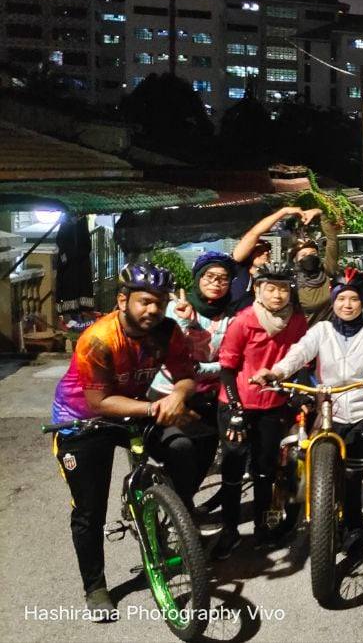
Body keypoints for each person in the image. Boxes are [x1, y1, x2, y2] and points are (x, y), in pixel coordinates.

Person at [49, 262, 200, 616]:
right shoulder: (98, 339)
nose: (153, 309)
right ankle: (95, 587)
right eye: (145, 301)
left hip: (133, 408)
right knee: (90, 510)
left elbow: (186, 376)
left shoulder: (167, 331)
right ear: (122, 300)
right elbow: (99, 402)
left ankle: (168, 514)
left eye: (160, 302)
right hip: (81, 421)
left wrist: (178, 396)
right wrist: (156, 407)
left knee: (183, 447)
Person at [251, 267, 363, 555]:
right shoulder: (321, 330)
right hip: (331, 407)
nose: (347, 305)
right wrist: (276, 372)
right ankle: (308, 512)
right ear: (333, 301)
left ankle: (354, 524)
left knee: (352, 474)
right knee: (307, 457)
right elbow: (299, 353)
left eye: (353, 299)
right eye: (341, 299)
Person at [211, 262, 309, 559]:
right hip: (237, 404)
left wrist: (298, 391)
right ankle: (229, 531)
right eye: (270, 288)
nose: (277, 295)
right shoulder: (243, 321)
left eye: (283, 289)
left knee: (265, 470)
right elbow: (227, 369)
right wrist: (235, 409)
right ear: (257, 290)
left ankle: (262, 527)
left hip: (273, 405)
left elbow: (302, 361)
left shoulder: (297, 321)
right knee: (233, 470)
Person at [149, 251, 237, 516]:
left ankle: (181, 507)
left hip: (207, 397)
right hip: (168, 393)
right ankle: (176, 507)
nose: (216, 283)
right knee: (181, 450)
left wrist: (209, 368)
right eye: (209, 276)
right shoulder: (176, 309)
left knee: (205, 454)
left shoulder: (231, 314)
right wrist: (185, 321)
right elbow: (180, 359)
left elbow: (232, 357)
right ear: (198, 278)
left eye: (223, 278)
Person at [228, 206, 322, 310]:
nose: (265, 252)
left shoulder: (277, 277)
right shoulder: (237, 269)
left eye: (268, 250)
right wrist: (284, 211)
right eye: (259, 250)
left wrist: (319, 212)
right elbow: (254, 234)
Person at [291, 232, 340, 326]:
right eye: (303, 255)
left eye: (313, 254)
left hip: (332, 331)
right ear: (295, 260)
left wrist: (326, 222)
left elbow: (332, 242)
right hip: (307, 332)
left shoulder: (327, 273)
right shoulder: (293, 285)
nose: (309, 257)